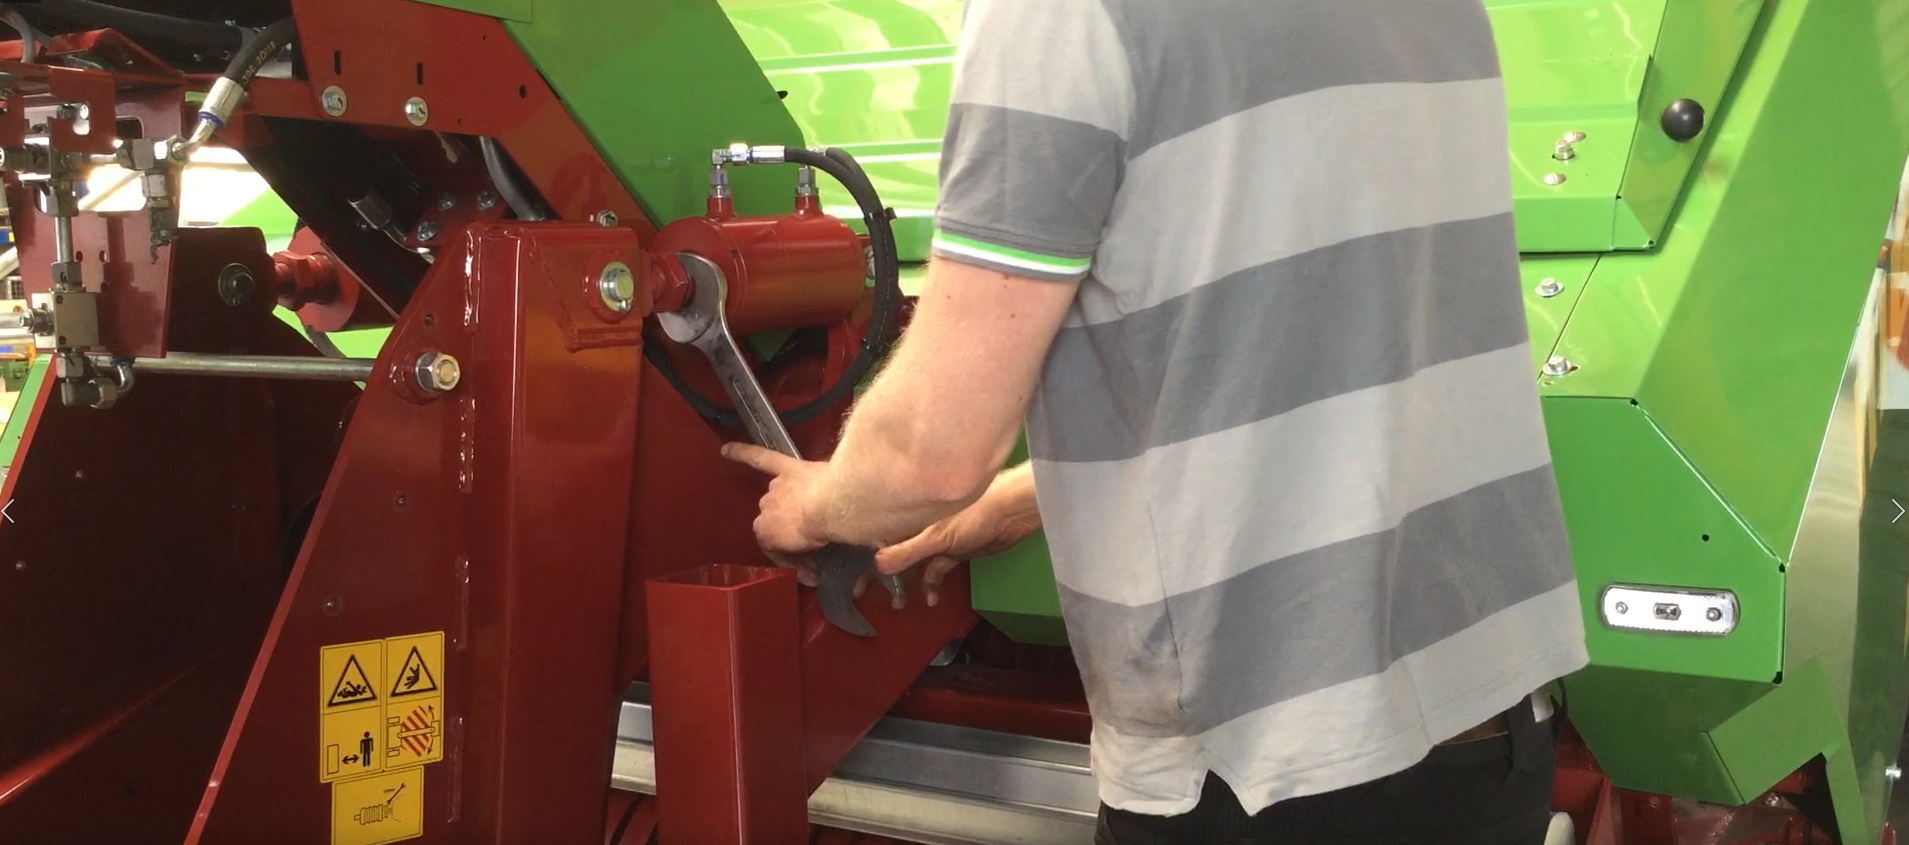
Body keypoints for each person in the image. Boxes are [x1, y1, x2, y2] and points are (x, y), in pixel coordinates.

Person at [720, 0, 1591, 841]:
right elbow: (1309, 333)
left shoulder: (1064, 16)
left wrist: (815, 505)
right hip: (1489, 728)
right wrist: (1026, 495)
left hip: (1267, 770)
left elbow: (928, 456)